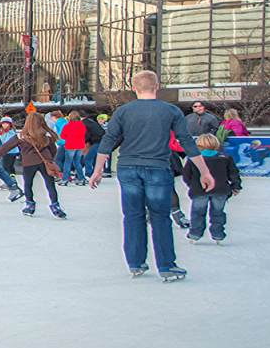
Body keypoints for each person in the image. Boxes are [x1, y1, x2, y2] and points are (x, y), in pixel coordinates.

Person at [90, 70, 214, 282]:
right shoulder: (171, 110)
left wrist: (98, 169)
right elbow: (186, 141)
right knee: (160, 217)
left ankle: (136, 262)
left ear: (134, 88)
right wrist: (205, 171)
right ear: (157, 86)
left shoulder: (123, 111)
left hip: (128, 168)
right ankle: (166, 265)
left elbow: (109, 140)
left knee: (133, 215)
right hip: (157, 167)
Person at [0, 113, 66, 219]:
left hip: (29, 162)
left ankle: (30, 205)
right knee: (50, 184)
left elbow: (6, 146)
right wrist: (49, 158)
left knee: (28, 184)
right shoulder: (46, 134)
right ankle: (56, 206)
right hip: (44, 161)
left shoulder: (21, 135)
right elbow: (53, 149)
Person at [183, 133, 241, 244]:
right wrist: (236, 186)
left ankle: (195, 234)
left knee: (198, 213)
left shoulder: (194, 159)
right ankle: (218, 235)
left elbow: (186, 175)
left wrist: (193, 185)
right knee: (218, 213)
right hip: (220, 190)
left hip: (200, 191)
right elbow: (233, 173)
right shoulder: (225, 158)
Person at [58, 111, 89, 185]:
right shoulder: (82, 125)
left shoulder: (67, 126)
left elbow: (62, 136)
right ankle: (81, 178)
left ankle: (65, 178)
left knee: (68, 162)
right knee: (77, 161)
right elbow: (84, 133)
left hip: (71, 145)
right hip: (80, 145)